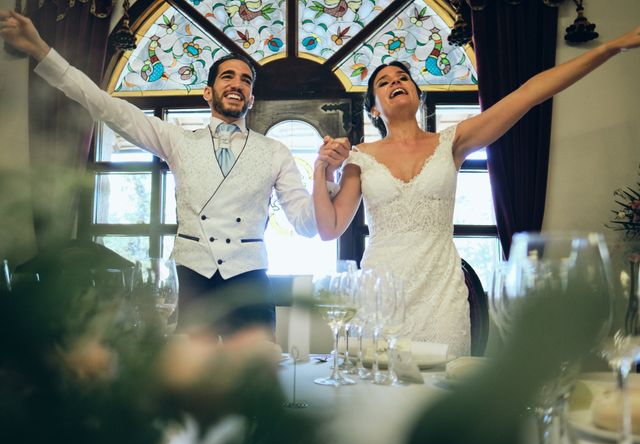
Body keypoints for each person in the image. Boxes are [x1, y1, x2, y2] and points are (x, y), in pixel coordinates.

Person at [0, 10, 342, 336]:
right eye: (228, 76)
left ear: (251, 99)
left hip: (250, 281)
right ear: (208, 93)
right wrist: (40, 50)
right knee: (186, 383)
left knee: (257, 377)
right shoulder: (176, 140)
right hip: (190, 277)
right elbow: (104, 105)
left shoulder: (275, 151)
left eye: (246, 80)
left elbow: (307, 225)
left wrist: (325, 174)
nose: (237, 84)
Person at [313, 26, 640, 356]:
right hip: (382, 294)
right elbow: (329, 229)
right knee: (381, 395)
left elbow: (528, 94)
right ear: (373, 109)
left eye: (403, 77)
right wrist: (320, 169)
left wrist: (610, 47)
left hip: (441, 295)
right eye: (384, 82)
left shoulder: (452, 142)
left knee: (446, 395)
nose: (396, 82)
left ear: (417, 93)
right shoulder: (359, 157)